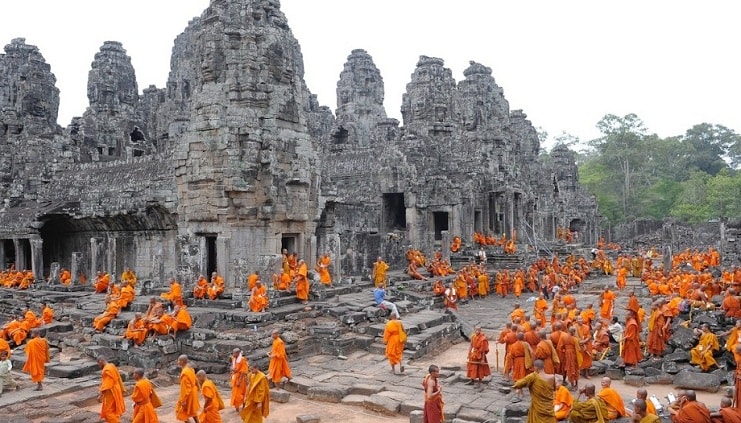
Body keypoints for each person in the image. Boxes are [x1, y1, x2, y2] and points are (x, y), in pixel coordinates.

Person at [97, 356, 125, 423]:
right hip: (116, 388)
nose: (98, 365)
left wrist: (100, 396)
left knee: (108, 412)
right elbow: (118, 378)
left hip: (111, 392)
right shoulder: (112, 366)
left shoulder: (107, 370)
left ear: (101, 361)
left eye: (98, 363)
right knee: (113, 409)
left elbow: (107, 385)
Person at [176, 355, 200, 423]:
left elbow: (185, 388)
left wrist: (183, 400)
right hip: (193, 392)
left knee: (181, 412)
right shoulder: (190, 368)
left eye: (178, 360)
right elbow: (196, 380)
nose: (177, 362)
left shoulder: (184, 373)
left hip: (188, 394)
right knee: (192, 410)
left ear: (182, 362)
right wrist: (198, 388)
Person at [230, 348, 248, 412]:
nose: (233, 354)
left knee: (242, 393)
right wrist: (233, 370)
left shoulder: (243, 360)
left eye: (234, 353)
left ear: (238, 353)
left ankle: (243, 405)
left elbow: (243, 371)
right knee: (235, 394)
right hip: (235, 377)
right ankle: (237, 407)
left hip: (241, 379)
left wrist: (239, 381)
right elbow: (233, 367)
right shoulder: (233, 358)